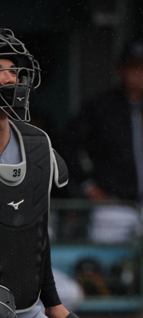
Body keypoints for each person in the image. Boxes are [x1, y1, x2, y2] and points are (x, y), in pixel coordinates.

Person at [65, 40, 143, 243]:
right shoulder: (101, 107)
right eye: (133, 67)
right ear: (120, 70)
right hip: (113, 204)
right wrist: (87, 185)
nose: (139, 74)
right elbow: (67, 145)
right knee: (109, 258)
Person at [0, 28, 78, 318]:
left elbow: (35, 237)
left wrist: (53, 303)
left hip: (23, 305)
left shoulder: (36, 144)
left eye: (14, 71)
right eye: (1, 70)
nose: (11, 79)